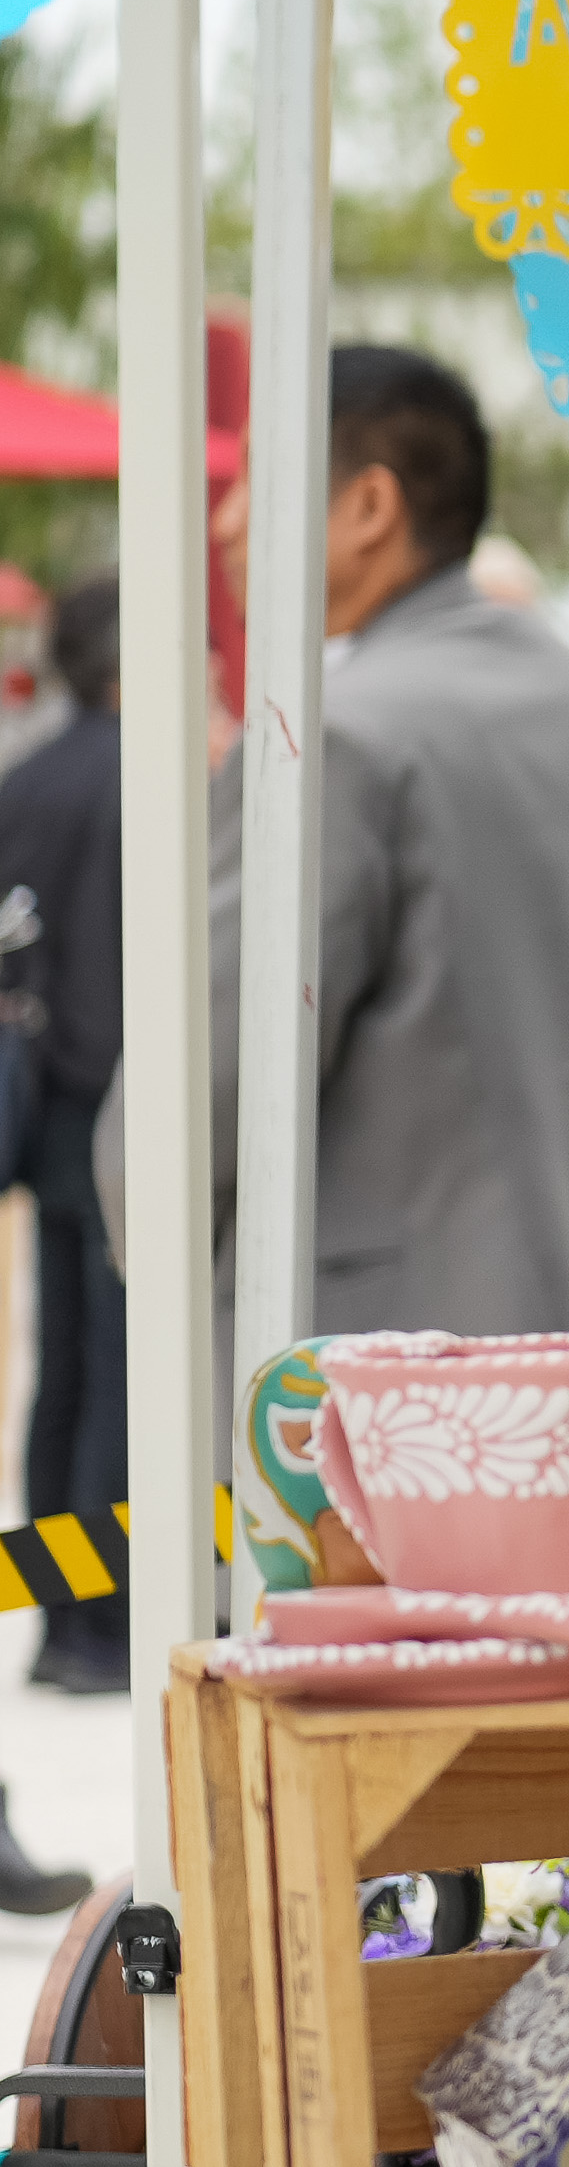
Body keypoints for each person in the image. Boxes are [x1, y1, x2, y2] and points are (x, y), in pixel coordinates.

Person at [218, 351, 569, 1352]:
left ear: (369, 506)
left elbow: (221, 1063)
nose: (225, 522)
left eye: (253, 482)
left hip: (387, 1360)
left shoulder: (334, 731)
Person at [0, 573, 116, 1705]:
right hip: (120, 1103)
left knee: (63, 1373)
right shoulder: (150, 779)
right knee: (121, 1371)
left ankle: (54, 1619)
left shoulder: (29, 774)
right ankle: (100, 1622)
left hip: (41, 1105)